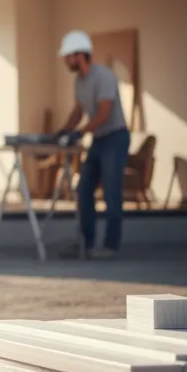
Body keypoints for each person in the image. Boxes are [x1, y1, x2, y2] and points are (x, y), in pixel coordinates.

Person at [56, 30, 131, 259]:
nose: (65, 61)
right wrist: (64, 130)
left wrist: (79, 133)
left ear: (79, 55)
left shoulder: (104, 76)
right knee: (84, 189)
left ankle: (111, 245)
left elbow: (104, 113)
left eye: (67, 56)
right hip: (99, 139)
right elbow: (79, 111)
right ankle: (86, 244)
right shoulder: (79, 81)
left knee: (111, 192)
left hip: (115, 138)